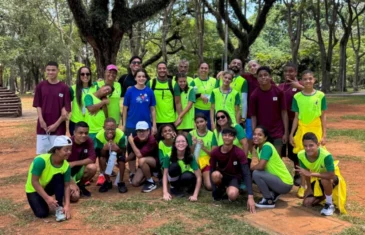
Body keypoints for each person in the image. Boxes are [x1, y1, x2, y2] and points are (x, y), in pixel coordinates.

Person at [290, 70, 327, 198]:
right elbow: (295, 117)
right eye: (305, 79)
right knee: (302, 159)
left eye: (310, 79)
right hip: (302, 129)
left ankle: (318, 186)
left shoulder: (321, 95)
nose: (308, 81)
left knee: (317, 157)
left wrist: (324, 135)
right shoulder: (297, 97)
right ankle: (303, 186)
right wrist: (291, 134)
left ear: (314, 80)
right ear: (301, 81)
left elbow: (323, 116)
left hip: (316, 129)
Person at [25, 136, 72, 222]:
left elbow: (67, 186)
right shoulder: (41, 161)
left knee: (58, 176)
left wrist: (67, 205)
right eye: (66, 150)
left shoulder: (66, 166)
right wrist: (47, 198)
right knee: (42, 214)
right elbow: (34, 181)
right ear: (56, 150)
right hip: (33, 189)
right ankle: (41, 199)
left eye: (70, 150)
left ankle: (59, 207)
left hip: (47, 186)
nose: (69, 152)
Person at [210, 127, 255, 213]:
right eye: (225, 135)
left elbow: (246, 173)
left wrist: (250, 197)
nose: (227, 137)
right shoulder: (215, 152)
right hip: (221, 176)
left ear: (234, 138)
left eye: (230, 136)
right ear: (222, 137)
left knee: (232, 195)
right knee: (215, 174)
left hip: (234, 177)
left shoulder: (239, 152)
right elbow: (211, 170)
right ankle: (220, 189)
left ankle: (230, 190)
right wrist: (214, 190)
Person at [33, 61, 71, 154]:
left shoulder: (64, 88)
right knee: (42, 155)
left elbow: (66, 110)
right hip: (43, 127)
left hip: (58, 129)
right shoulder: (41, 86)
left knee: (57, 155)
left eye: (53, 70)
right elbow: (38, 105)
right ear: (45, 71)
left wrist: (56, 125)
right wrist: (41, 120)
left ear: (58, 71)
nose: (50, 72)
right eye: (48, 70)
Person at [251, 126, 293, 208]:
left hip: (284, 184)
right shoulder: (260, 148)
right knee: (257, 174)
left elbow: (261, 166)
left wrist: (250, 169)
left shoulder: (266, 147)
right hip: (282, 181)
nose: (256, 136)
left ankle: (268, 200)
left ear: (265, 137)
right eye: (254, 134)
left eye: (260, 135)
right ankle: (274, 193)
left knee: (256, 173)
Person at [296, 132, 336, 216]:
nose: (308, 148)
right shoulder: (301, 155)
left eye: (311, 145)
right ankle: (324, 196)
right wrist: (309, 188)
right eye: (305, 146)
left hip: (330, 178)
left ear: (317, 145)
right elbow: (305, 172)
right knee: (306, 203)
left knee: (324, 180)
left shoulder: (326, 156)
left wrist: (311, 174)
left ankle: (329, 204)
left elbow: (331, 175)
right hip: (316, 178)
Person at [250, 66, 288, 154]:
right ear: (257, 78)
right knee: (264, 159)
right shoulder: (254, 95)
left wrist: (286, 132)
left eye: (266, 75)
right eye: (260, 76)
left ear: (270, 77)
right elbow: (253, 116)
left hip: (277, 132)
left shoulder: (278, 92)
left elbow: (284, 113)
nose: (263, 77)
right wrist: (255, 134)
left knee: (277, 158)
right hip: (262, 133)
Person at [278, 63, 303, 186]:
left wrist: (298, 85)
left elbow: (311, 92)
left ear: (296, 73)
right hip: (283, 121)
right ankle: (280, 173)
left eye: (291, 71)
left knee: (295, 148)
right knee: (281, 147)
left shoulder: (301, 86)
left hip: (297, 121)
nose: (288, 74)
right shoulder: (281, 87)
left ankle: (298, 173)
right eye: (286, 72)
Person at [162, 134, 202, 201]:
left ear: (187, 144)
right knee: (174, 167)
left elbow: (199, 176)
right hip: (175, 179)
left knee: (187, 176)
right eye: (178, 141)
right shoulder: (168, 156)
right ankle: (174, 188)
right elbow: (165, 174)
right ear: (174, 144)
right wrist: (165, 192)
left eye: (183, 141)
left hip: (186, 178)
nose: (181, 143)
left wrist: (195, 195)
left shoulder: (190, 157)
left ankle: (187, 189)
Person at [122, 68, 157, 137]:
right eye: (139, 76)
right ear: (135, 78)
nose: (141, 78)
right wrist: (124, 125)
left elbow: (152, 109)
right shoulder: (130, 91)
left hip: (146, 125)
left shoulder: (150, 92)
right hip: (131, 125)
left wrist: (154, 126)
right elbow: (125, 109)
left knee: (145, 147)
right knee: (131, 146)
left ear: (146, 78)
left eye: (143, 76)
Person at [95, 118, 127, 193]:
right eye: (108, 129)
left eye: (112, 129)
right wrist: (104, 148)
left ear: (116, 127)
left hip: (118, 151)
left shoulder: (121, 136)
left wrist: (117, 149)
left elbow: (123, 152)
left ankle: (121, 182)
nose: (110, 131)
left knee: (122, 160)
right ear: (104, 128)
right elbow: (101, 154)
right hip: (105, 151)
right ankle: (108, 181)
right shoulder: (99, 136)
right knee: (102, 159)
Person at [68, 121, 97, 202]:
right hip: (66, 174)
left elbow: (92, 159)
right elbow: (60, 166)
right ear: (74, 132)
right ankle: (68, 187)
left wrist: (74, 163)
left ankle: (80, 186)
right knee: (75, 197)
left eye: (86, 133)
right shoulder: (68, 143)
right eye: (80, 133)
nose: (84, 135)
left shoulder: (89, 141)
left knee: (92, 167)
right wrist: (71, 181)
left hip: (78, 170)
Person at [187, 113, 217, 190]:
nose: (200, 124)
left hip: (206, 161)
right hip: (194, 161)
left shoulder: (212, 134)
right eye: (197, 122)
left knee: (209, 186)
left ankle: (204, 177)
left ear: (206, 122)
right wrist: (193, 144)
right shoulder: (191, 134)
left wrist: (203, 147)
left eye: (202, 121)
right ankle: (200, 177)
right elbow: (189, 152)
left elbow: (213, 154)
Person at [127, 121, 159, 193]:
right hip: (145, 165)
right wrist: (124, 160)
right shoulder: (136, 139)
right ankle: (150, 175)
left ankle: (151, 182)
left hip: (156, 164)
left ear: (148, 131)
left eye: (143, 131)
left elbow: (139, 155)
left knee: (141, 160)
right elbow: (133, 153)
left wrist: (131, 142)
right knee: (135, 183)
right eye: (139, 131)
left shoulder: (152, 140)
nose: (141, 133)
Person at [216, 59, 248, 126]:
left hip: (235, 115)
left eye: (238, 64)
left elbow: (244, 101)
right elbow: (215, 95)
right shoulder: (220, 77)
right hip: (220, 114)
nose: (236, 65)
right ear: (229, 65)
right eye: (234, 63)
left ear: (241, 68)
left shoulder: (243, 81)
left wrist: (243, 118)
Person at [147, 62, 177, 129]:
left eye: (164, 68)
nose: (162, 70)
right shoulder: (151, 83)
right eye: (160, 68)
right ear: (157, 70)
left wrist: (179, 118)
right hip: (154, 120)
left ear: (167, 70)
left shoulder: (173, 83)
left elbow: (178, 103)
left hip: (170, 120)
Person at [69, 66, 96, 135]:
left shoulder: (95, 88)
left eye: (87, 74)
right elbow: (65, 104)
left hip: (91, 123)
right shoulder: (73, 89)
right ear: (79, 75)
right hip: (76, 123)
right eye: (82, 74)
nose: (85, 76)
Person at [190, 62, 218, 129]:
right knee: (199, 129)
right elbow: (190, 96)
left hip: (211, 110)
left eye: (206, 68)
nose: (203, 70)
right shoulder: (194, 82)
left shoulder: (214, 81)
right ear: (199, 69)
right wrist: (199, 95)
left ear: (208, 70)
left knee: (211, 129)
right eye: (202, 68)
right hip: (198, 109)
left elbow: (218, 94)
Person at [242, 60, 261, 151]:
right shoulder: (246, 77)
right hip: (250, 113)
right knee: (250, 136)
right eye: (250, 67)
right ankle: (249, 157)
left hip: (263, 114)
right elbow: (234, 74)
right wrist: (222, 73)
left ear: (259, 65)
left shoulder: (265, 78)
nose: (252, 68)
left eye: (254, 65)